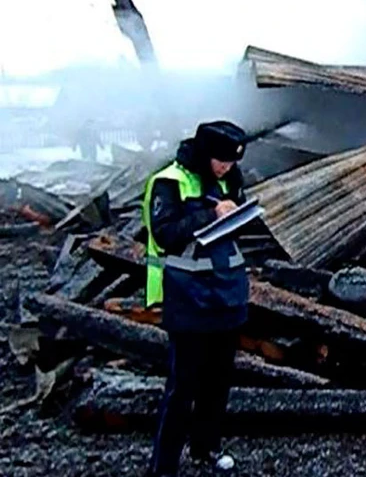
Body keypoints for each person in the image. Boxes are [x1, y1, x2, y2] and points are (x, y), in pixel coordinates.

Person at [143, 120, 249, 477]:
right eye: (221, 161)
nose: (227, 168)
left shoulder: (231, 179)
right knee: (182, 384)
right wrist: (210, 214)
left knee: (218, 380)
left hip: (227, 292)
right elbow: (165, 233)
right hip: (187, 295)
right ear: (205, 153)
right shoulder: (168, 182)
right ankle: (164, 466)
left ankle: (206, 447)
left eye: (232, 162)